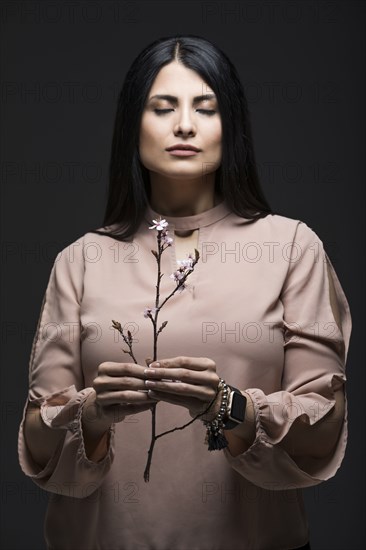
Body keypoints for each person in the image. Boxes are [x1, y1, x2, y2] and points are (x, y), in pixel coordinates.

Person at [18, 35, 352, 550]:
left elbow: (323, 422)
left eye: (206, 108)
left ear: (231, 126)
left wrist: (228, 407)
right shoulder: (80, 260)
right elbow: (39, 440)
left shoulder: (291, 247)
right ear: (133, 125)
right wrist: (92, 412)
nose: (185, 126)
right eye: (162, 107)